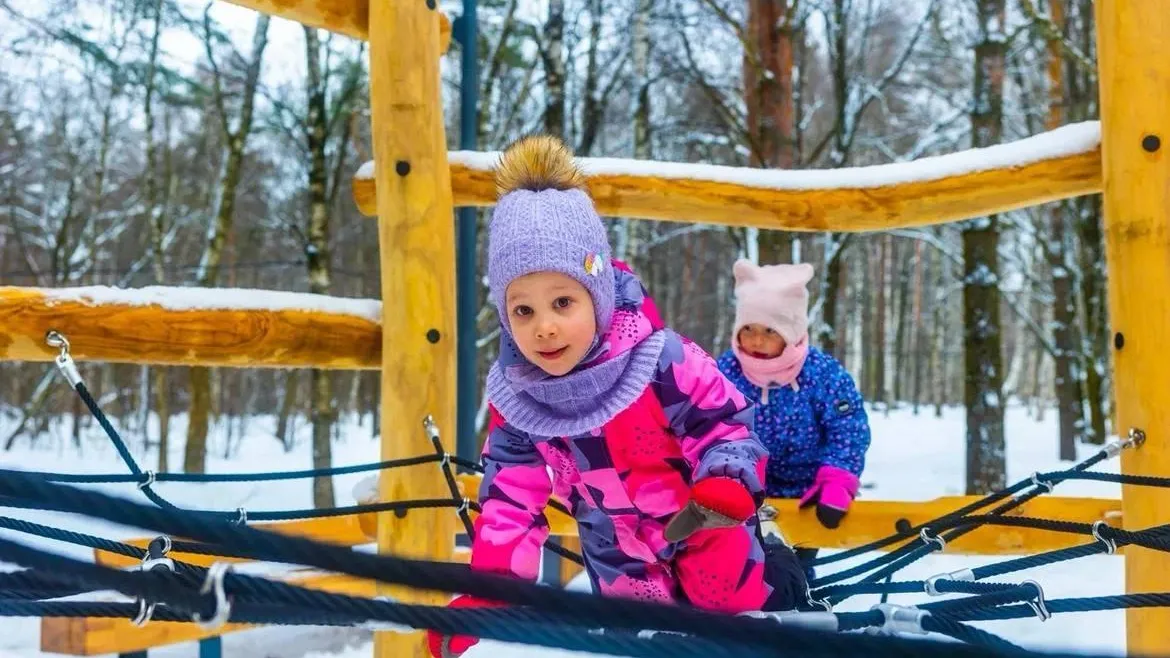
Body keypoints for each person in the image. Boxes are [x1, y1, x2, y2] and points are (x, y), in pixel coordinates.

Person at [427, 136, 805, 658]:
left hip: (704, 522)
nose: (545, 328)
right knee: (641, 643)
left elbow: (722, 423)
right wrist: (495, 591)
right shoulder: (520, 396)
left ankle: (784, 575)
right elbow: (511, 497)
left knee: (734, 624)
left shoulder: (660, 359)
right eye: (523, 311)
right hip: (615, 549)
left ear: (597, 295)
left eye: (563, 301)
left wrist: (726, 476)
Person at [716, 259, 871, 577]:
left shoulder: (821, 373)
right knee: (737, 568)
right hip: (743, 492)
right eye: (748, 330)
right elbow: (706, 424)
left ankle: (796, 608)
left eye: (769, 331)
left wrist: (837, 479)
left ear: (791, 331)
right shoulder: (726, 372)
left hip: (805, 496)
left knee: (791, 571)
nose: (756, 340)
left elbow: (848, 427)